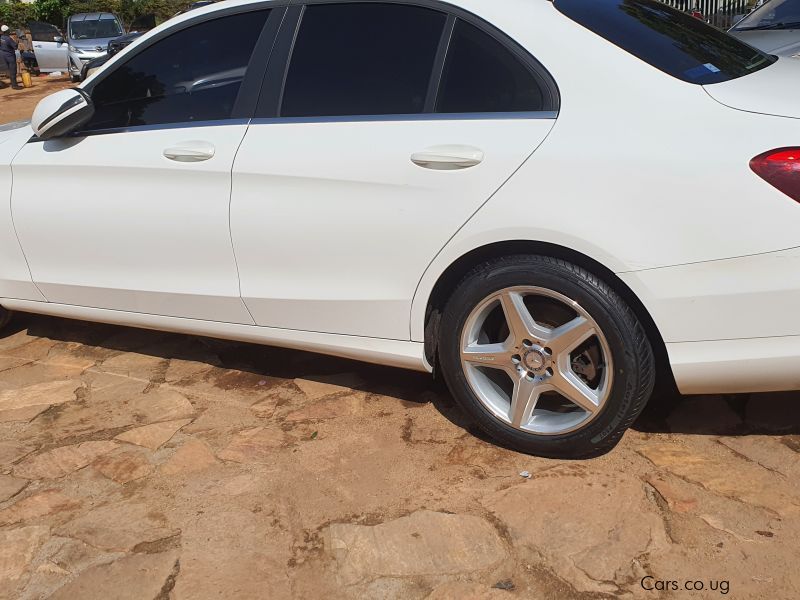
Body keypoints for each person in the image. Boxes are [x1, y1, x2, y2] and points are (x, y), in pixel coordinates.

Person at [0, 25, 22, 90]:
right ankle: (14, 85)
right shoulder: (8, 39)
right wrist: (17, 42)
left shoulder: (1, 37)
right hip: (9, 55)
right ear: (7, 31)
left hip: (2, 55)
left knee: (4, 70)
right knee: (13, 70)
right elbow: (15, 47)